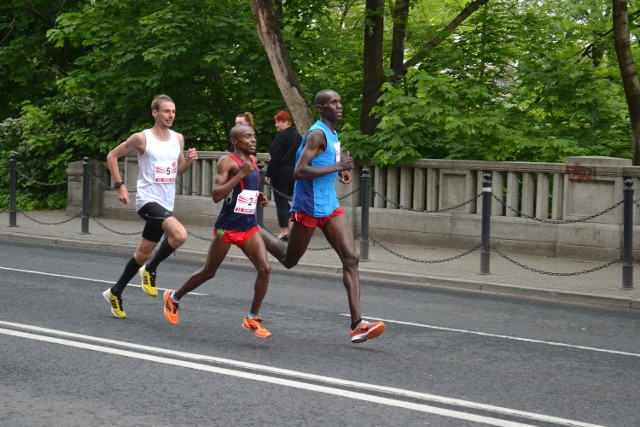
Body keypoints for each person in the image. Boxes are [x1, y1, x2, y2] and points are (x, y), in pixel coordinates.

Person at [260, 89, 386, 344]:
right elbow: (299, 171)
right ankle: (251, 229)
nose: (339, 106)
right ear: (321, 108)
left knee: (351, 258)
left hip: (329, 204)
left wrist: (339, 173)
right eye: (333, 103)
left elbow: (322, 164)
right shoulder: (317, 133)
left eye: (340, 101)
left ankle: (357, 324)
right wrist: (337, 166)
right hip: (309, 206)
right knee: (288, 259)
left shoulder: (332, 133)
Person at [163, 124, 273, 338]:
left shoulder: (252, 160)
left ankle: (252, 318)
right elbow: (216, 195)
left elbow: (246, 188)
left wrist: (258, 196)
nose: (253, 140)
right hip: (228, 227)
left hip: (248, 226)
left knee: (265, 269)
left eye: (254, 136)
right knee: (209, 272)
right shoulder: (227, 161)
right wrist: (240, 173)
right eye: (247, 137)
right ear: (235, 141)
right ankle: (173, 297)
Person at [102, 94, 198, 319]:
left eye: (173, 111)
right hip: (147, 201)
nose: (170, 115)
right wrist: (120, 186)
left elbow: (177, 172)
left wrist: (189, 161)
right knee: (180, 235)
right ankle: (151, 269)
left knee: (142, 253)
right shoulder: (141, 138)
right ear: (155, 113)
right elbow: (112, 155)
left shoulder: (178, 138)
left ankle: (115, 292)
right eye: (166, 111)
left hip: (165, 203)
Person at [265, 110, 301, 241]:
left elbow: (276, 156)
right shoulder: (298, 136)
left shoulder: (282, 136)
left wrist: (269, 173)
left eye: (279, 122)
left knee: (280, 202)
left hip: (281, 173)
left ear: (287, 122)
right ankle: (292, 228)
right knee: (287, 201)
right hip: (294, 173)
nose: (276, 125)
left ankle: (284, 231)